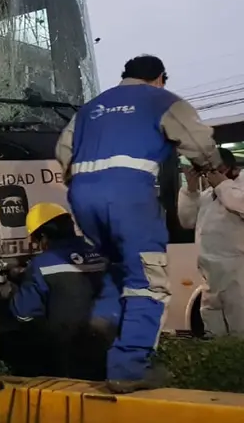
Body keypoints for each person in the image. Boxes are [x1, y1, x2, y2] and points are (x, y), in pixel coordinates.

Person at [55, 54, 223, 393]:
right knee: (149, 280)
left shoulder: (91, 107)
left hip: (83, 199)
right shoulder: (162, 100)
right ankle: (129, 368)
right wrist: (212, 167)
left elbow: (63, 150)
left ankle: (105, 317)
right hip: (129, 196)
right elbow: (199, 141)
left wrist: (86, 181)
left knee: (120, 266)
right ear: (160, 77)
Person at [6, 202, 120, 380]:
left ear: (43, 236)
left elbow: (23, 313)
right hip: (112, 344)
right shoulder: (100, 255)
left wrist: (17, 288)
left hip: (69, 353)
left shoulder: (42, 264)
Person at [178, 147, 244, 336]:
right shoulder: (208, 195)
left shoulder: (238, 186)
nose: (208, 176)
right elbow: (187, 221)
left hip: (238, 273)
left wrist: (222, 185)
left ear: (228, 168)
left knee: (240, 329)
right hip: (209, 275)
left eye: (212, 170)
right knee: (214, 330)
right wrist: (190, 190)